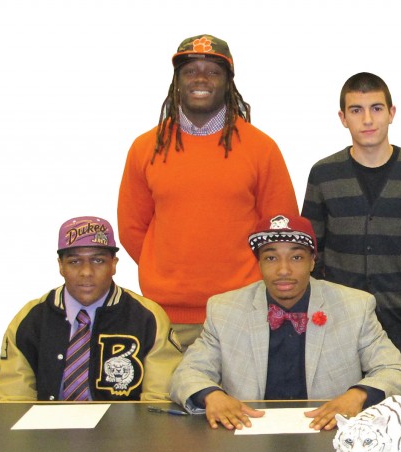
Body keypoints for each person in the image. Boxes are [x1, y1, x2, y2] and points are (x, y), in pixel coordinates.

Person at [118, 34, 299, 350]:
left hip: (242, 314)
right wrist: (165, 273)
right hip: (165, 319)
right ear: (177, 81)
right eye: (190, 71)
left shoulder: (261, 148)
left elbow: (280, 231)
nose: (200, 78)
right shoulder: (145, 148)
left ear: (228, 82)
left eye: (213, 71)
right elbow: (132, 230)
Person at [169, 214, 401, 431]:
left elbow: (397, 372)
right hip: (248, 433)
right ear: (259, 263)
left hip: (329, 435)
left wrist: (357, 395)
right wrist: (212, 395)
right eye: (271, 258)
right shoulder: (225, 309)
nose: (283, 270)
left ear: (312, 261)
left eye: (296, 257)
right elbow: (187, 373)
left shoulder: (355, 306)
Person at [302, 72, 401, 397]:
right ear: (343, 118)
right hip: (339, 331)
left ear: (391, 113)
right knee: (338, 421)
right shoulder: (324, 175)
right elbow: (310, 254)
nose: (368, 119)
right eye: (356, 110)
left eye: (376, 108)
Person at [0, 217, 181, 401]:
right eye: (74, 262)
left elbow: (159, 401)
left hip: (124, 423)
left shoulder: (147, 318)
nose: (86, 272)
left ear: (113, 264)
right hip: (45, 423)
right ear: (60, 266)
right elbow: (11, 399)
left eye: (98, 261)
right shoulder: (32, 318)